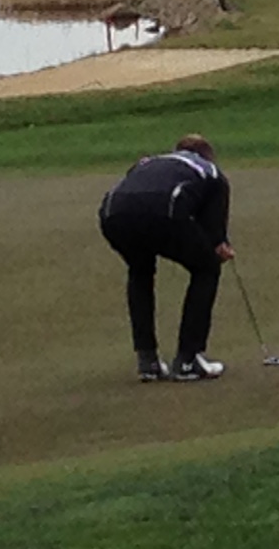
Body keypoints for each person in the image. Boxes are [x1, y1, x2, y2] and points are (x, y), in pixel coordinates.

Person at [99, 135, 233, 382]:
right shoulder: (211, 172)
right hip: (163, 211)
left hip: (113, 214)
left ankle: (148, 361)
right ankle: (188, 360)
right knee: (207, 268)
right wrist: (220, 245)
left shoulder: (148, 162)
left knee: (140, 270)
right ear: (208, 155)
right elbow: (214, 234)